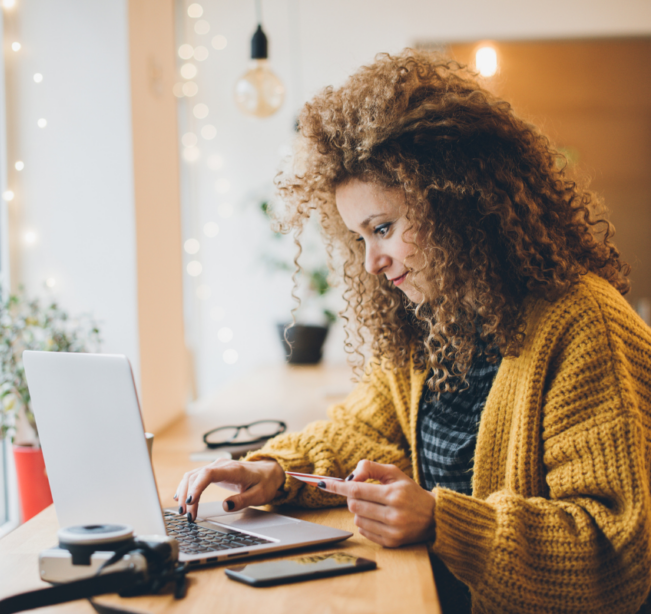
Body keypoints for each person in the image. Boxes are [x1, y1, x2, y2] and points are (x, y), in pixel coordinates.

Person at [174, 51, 651, 613]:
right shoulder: (437, 322)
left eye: (384, 228)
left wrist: (443, 521)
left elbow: (615, 553)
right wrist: (270, 471)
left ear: (458, 203)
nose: (372, 261)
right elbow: (365, 431)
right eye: (359, 239)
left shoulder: (583, 323)